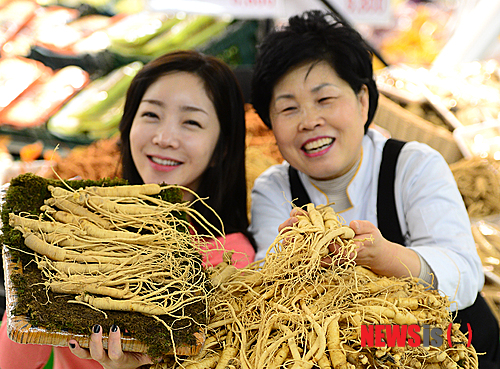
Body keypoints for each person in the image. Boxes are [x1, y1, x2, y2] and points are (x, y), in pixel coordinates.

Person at [248, 10, 500, 368]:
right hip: (339, 348)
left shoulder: (414, 165)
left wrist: (386, 258)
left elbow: (464, 273)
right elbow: (270, 295)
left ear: (363, 100)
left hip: (443, 339)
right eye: (288, 108)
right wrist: (286, 265)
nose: (309, 121)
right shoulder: (272, 189)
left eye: (325, 100)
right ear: (270, 122)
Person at [0, 50, 256, 369]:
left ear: (223, 148)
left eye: (191, 122)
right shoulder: (72, 217)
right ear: (128, 125)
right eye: (150, 115)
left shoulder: (230, 260)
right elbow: (11, 361)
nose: (164, 138)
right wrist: (31, 259)